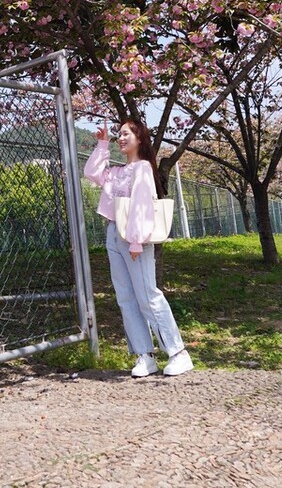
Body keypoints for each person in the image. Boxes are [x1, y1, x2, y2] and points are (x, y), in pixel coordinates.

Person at [83, 119, 193, 378]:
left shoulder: (143, 168)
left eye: (126, 134)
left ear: (140, 139)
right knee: (125, 297)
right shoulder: (117, 171)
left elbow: (142, 203)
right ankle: (145, 355)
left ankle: (178, 353)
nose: (121, 138)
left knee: (148, 294)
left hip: (135, 236)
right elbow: (91, 173)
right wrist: (102, 143)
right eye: (119, 134)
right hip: (113, 232)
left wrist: (135, 240)